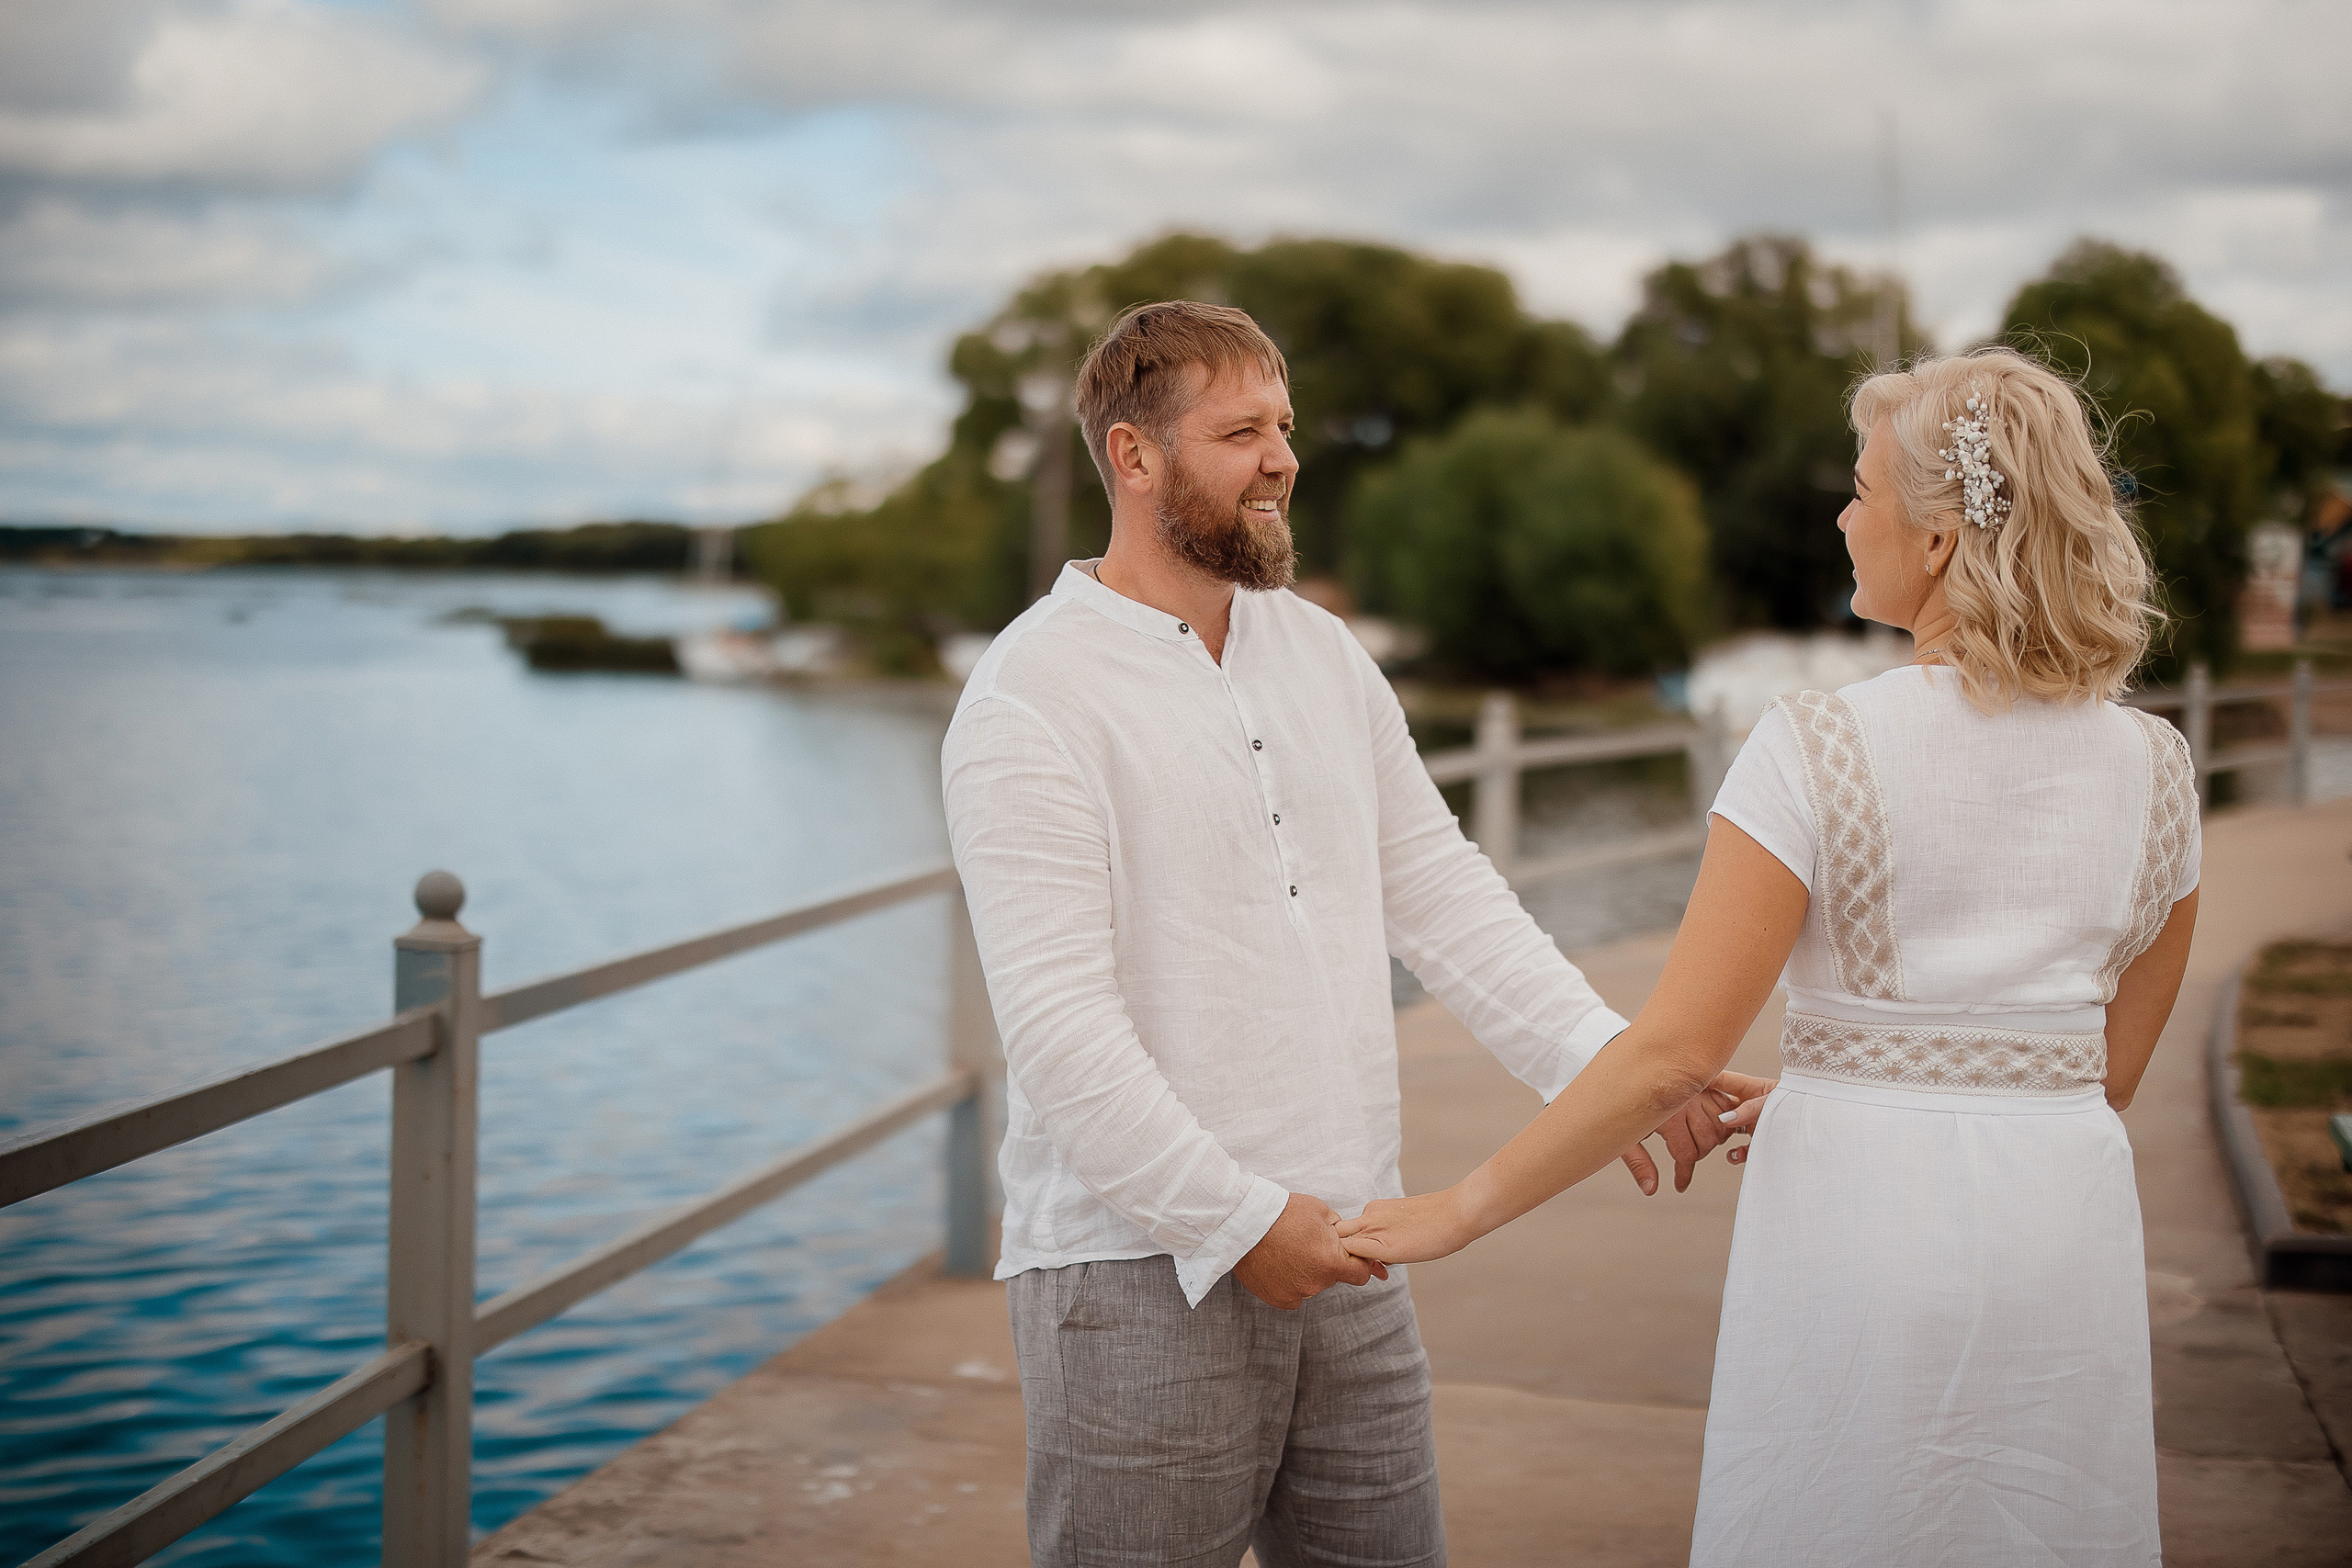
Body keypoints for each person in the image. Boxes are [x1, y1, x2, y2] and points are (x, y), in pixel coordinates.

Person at [1340, 346, 2194, 1566]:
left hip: (1860, 1223)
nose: (1845, 518)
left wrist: (1458, 1210)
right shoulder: (2159, 770)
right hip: (2062, 1234)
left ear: (1941, 540)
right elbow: (2092, 1073)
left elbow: (1678, 1050)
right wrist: (1855, 1079)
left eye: (1861, 490)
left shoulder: (1818, 744)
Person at [943, 299, 1757, 1567]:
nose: (1283, 459)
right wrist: (1237, 1221)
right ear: (1132, 456)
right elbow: (1058, 1033)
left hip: (1357, 1250)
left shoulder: (1320, 651)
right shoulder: (1027, 699)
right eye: (1239, 432)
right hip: (1135, 1275)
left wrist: (1617, 1074)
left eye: (1285, 426)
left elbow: (1443, 890)